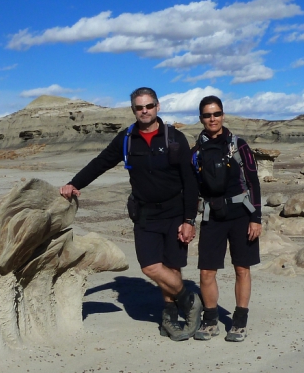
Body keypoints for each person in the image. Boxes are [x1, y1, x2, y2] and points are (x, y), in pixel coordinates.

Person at [59, 87, 203, 341]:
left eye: (148, 106)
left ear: (158, 107)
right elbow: (101, 162)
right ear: (134, 110)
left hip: (175, 211)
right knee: (150, 267)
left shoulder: (174, 138)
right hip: (145, 213)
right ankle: (189, 300)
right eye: (139, 107)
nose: (144, 111)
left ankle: (169, 317)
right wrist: (75, 184)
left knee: (171, 266)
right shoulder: (126, 139)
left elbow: (190, 182)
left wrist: (189, 220)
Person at [190, 95, 261, 342]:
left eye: (216, 113)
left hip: (241, 215)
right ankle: (210, 321)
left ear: (223, 115)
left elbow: (253, 181)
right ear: (201, 118)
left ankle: (239, 322)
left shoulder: (239, 145)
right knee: (206, 272)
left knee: (242, 268)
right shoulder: (196, 151)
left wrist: (256, 217)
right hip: (212, 216)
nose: (213, 119)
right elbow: (190, 189)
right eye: (208, 115)